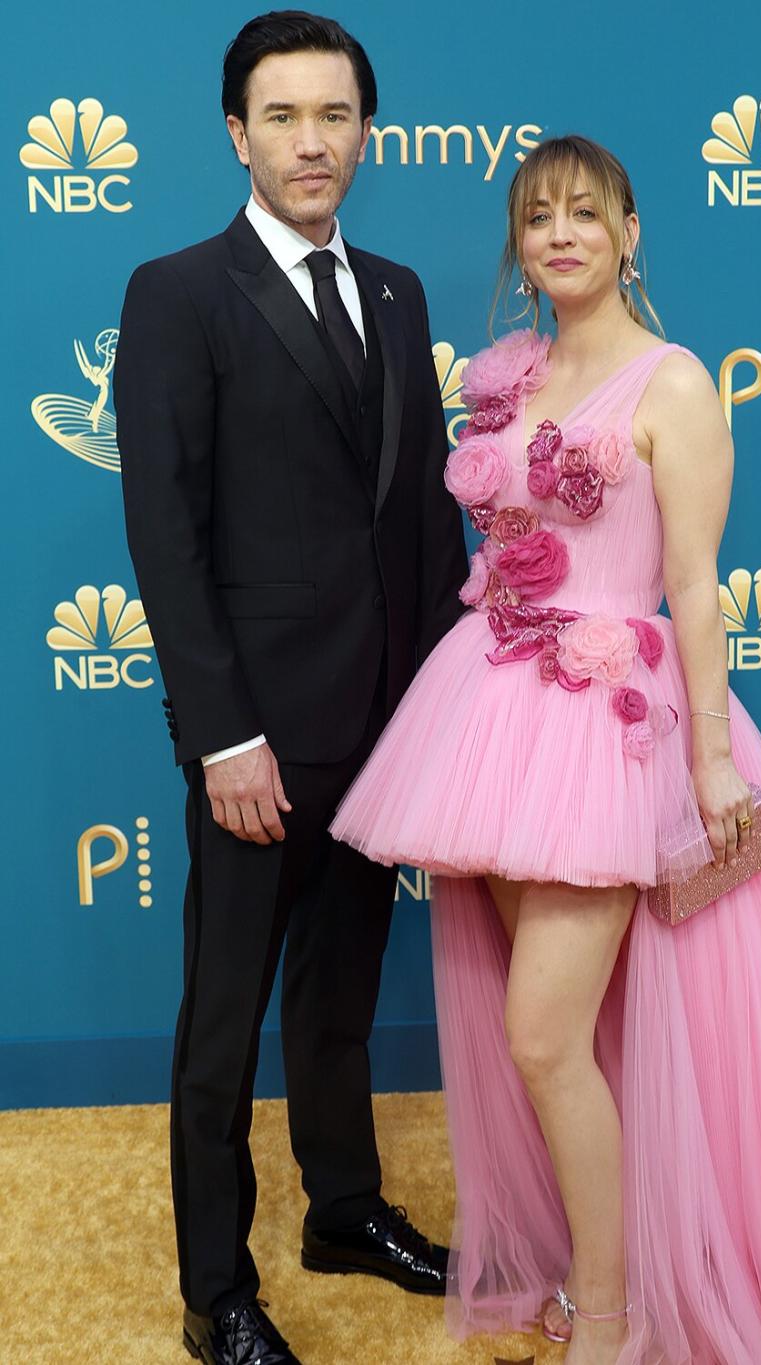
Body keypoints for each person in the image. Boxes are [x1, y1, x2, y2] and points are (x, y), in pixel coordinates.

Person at [330, 134, 761, 1364]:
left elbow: (693, 585)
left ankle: (614, 1318)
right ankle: (602, 1267)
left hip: (610, 722)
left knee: (544, 1036)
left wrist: (714, 761)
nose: (560, 234)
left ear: (629, 232)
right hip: (497, 709)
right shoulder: (508, 375)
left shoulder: (674, 382)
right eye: (537, 218)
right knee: (578, 1038)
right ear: (519, 246)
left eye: (585, 214)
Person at [113, 12, 464, 1364]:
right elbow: (168, 533)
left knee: (339, 998)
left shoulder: (396, 291)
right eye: (283, 117)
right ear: (236, 134)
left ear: (365, 131)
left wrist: (436, 718)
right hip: (255, 741)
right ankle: (217, 1294)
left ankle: (345, 1210)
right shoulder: (177, 291)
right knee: (222, 1027)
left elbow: (424, 528)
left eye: (336, 116)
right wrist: (224, 736)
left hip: (379, 730)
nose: (313, 142)